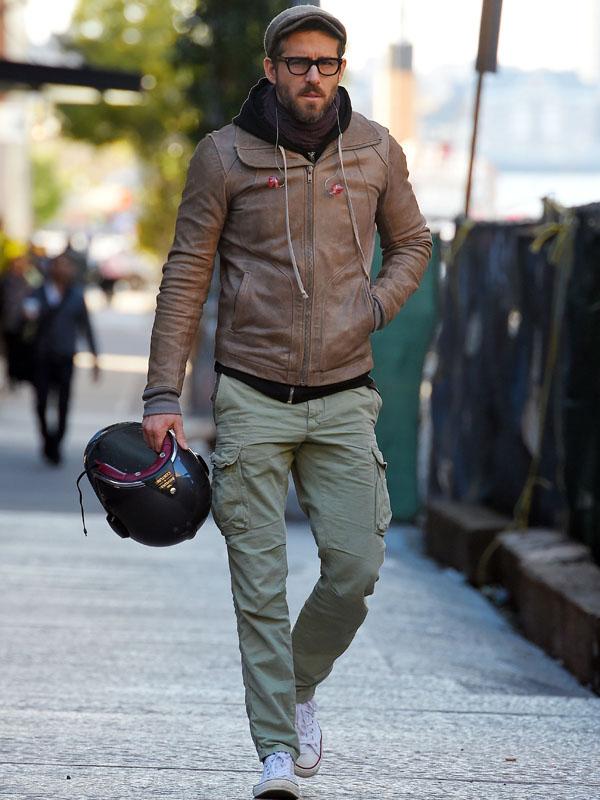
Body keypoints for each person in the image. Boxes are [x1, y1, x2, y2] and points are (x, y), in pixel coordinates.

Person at [142, 6, 432, 798]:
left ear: (342, 69)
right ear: (271, 69)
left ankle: (295, 685)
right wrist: (163, 392)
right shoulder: (224, 157)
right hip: (252, 397)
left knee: (355, 569)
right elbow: (185, 276)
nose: (312, 76)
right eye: (298, 63)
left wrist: (375, 307)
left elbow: (414, 242)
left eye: (327, 64)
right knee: (259, 584)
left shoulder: (375, 149)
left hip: (345, 398)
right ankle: (274, 748)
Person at [24, 252, 100, 465]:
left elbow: (87, 327)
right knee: (40, 401)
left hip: (65, 356)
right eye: (59, 265)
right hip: (41, 356)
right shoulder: (37, 293)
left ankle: (57, 442)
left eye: (67, 266)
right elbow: (23, 321)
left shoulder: (76, 296)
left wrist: (95, 357)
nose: (63, 270)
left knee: (63, 402)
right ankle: (46, 438)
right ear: (51, 269)